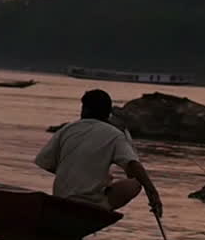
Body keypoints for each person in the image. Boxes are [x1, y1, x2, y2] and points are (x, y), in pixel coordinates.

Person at [34, 89, 163, 218]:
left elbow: (46, 163)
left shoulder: (68, 129)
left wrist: (76, 172)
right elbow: (133, 167)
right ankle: (100, 207)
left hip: (60, 198)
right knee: (135, 183)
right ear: (108, 113)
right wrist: (152, 193)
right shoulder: (115, 135)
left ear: (84, 109)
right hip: (91, 203)